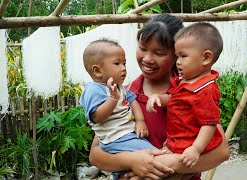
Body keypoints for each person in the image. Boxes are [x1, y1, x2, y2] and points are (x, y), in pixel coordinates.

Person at [89, 14, 230, 180]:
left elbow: (222, 151)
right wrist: (133, 161)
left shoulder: (194, 92)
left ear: (177, 55)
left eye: (159, 53)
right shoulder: (122, 94)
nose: (147, 59)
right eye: (142, 48)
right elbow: (95, 155)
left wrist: (161, 166)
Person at [146, 22, 224, 169]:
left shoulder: (206, 89)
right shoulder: (186, 81)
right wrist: (159, 98)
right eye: (177, 56)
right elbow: (173, 99)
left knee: (157, 170)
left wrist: (196, 149)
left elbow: (209, 124)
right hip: (177, 143)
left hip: (189, 147)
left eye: (183, 56)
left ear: (206, 58)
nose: (178, 62)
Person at [79, 39, 156, 180]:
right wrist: (113, 99)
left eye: (124, 63)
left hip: (127, 135)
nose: (123, 68)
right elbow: (96, 117)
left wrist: (140, 121)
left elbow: (133, 102)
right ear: (97, 71)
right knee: (154, 156)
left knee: (126, 171)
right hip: (116, 139)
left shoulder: (120, 87)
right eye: (117, 63)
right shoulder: (93, 90)